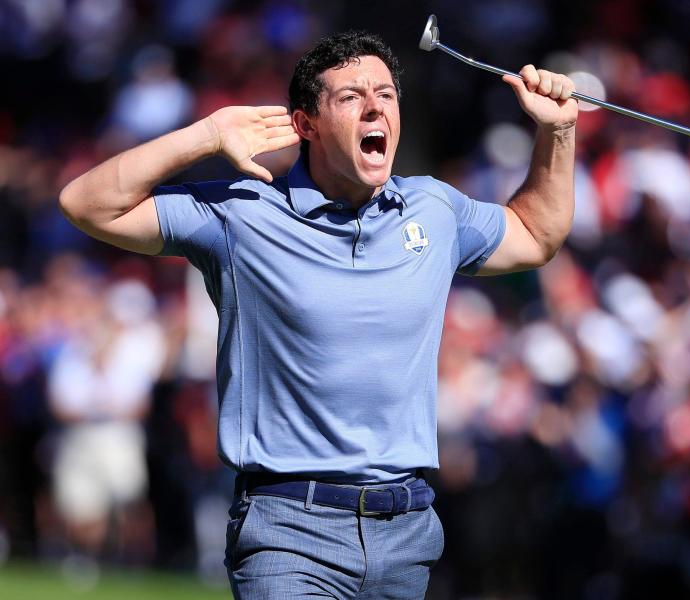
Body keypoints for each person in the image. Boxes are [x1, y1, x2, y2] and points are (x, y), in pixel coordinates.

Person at [59, 29, 577, 599]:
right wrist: (204, 136)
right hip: (287, 529)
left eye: (386, 94)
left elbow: (536, 236)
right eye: (351, 96)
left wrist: (557, 130)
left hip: (406, 531)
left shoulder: (434, 208)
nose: (375, 106)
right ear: (306, 124)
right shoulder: (242, 212)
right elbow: (86, 204)